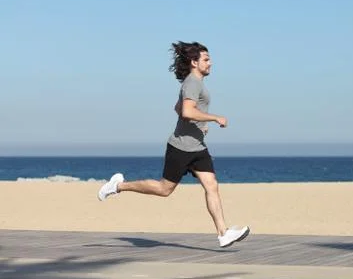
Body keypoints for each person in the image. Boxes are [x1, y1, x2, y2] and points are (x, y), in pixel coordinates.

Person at [97, 41, 250, 248]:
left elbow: (178, 108)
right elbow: (186, 111)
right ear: (194, 62)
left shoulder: (195, 83)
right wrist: (214, 118)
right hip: (180, 148)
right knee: (164, 189)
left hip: (197, 147)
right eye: (206, 59)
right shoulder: (192, 83)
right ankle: (118, 186)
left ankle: (223, 233)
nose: (210, 63)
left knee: (212, 185)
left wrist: (199, 125)